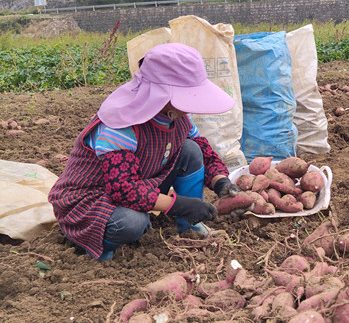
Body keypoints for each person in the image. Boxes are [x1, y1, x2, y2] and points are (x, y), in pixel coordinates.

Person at [48, 43, 243, 260]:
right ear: (162, 95)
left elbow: (204, 151)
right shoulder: (121, 125)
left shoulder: (176, 116)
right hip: (91, 200)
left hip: (139, 184)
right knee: (132, 222)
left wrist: (220, 181)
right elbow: (122, 189)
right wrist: (177, 204)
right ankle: (100, 244)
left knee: (190, 148)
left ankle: (190, 224)